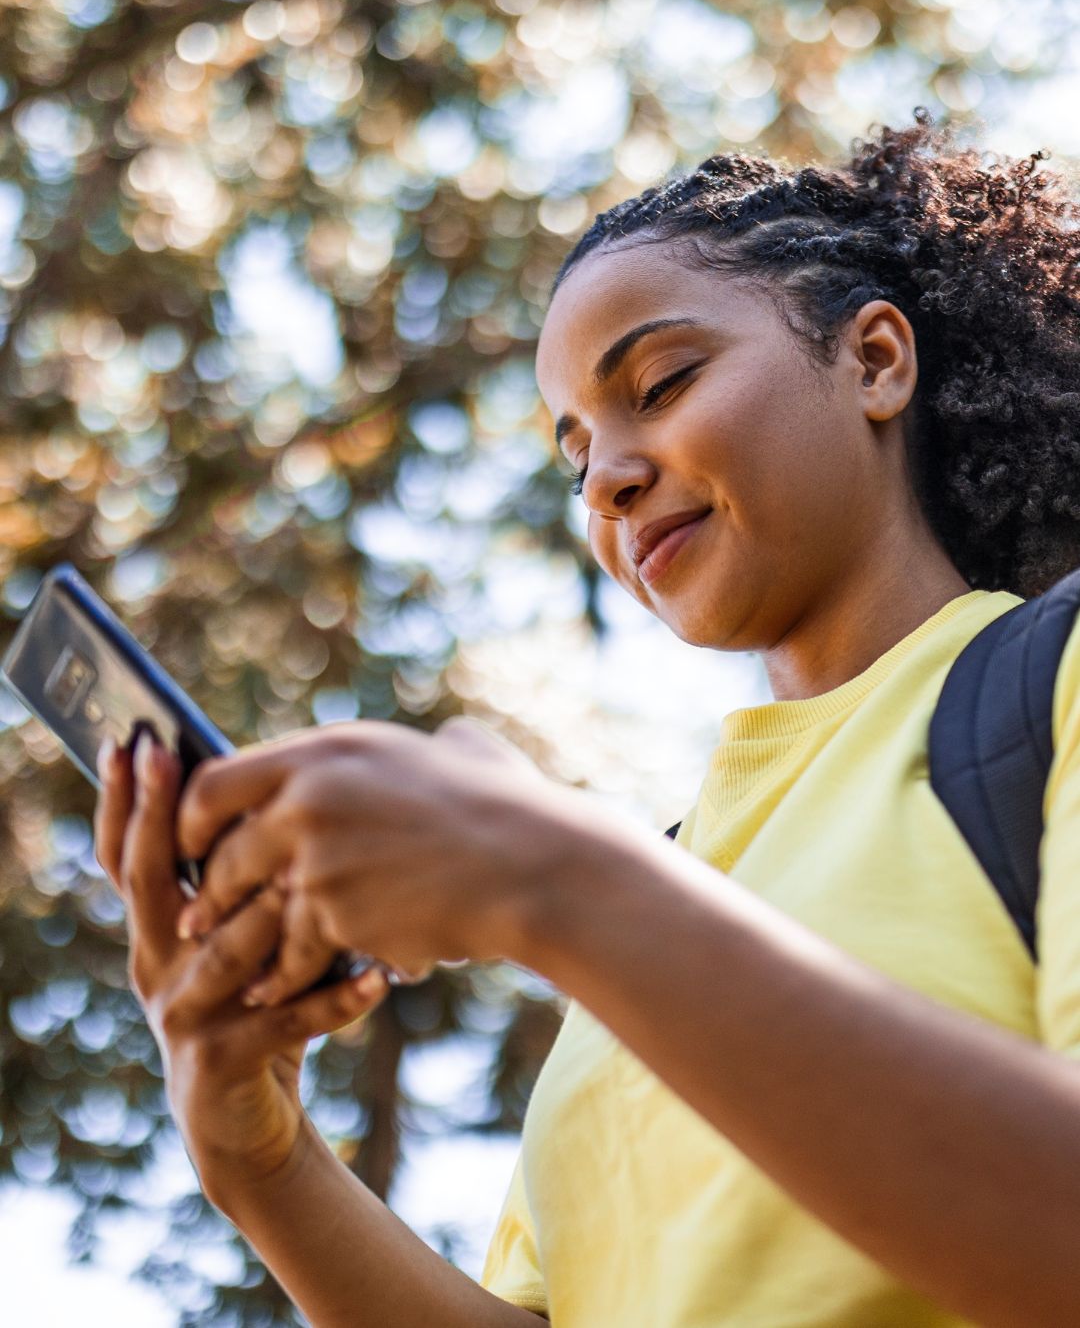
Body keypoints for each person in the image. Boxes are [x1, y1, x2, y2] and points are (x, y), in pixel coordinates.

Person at [93, 111, 1080, 1327]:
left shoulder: (1051, 682)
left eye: (660, 384)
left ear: (875, 360)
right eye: (576, 459)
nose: (608, 478)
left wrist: (557, 881)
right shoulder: (660, 894)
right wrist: (260, 1162)